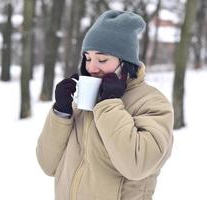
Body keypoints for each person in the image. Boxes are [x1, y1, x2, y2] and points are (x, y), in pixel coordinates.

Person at [36, 10, 174, 200]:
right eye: (88, 58)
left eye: (102, 59)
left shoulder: (152, 104)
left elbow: (136, 165)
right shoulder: (84, 102)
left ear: (125, 64)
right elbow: (47, 164)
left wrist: (109, 105)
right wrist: (61, 113)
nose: (91, 68)